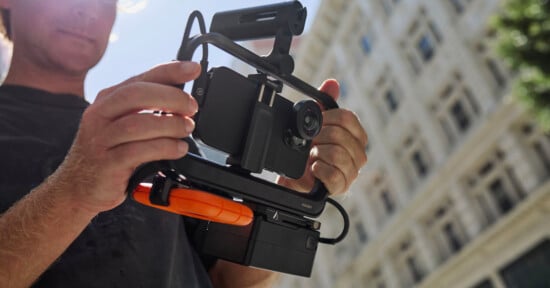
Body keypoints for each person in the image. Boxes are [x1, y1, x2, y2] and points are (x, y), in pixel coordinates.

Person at [0, 1, 368, 287]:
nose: (85, 8)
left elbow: (227, 282)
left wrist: (289, 195)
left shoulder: (161, 134)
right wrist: (73, 190)